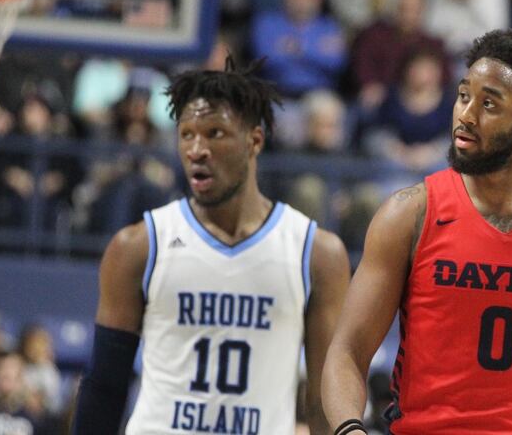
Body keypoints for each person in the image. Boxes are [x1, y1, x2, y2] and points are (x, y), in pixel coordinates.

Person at [322, 29, 512, 434]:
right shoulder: (409, 213)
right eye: (464, 96)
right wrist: (349, 429)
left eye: (489, 104)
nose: (465, 115)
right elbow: (346, 352)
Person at [71, 58, 351, 434]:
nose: (196, 149)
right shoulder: (138, 246)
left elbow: (321, 402)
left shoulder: (315, 253)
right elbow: (103, 389)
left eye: (215, 133)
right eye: (187, 134)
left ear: (255, 140)